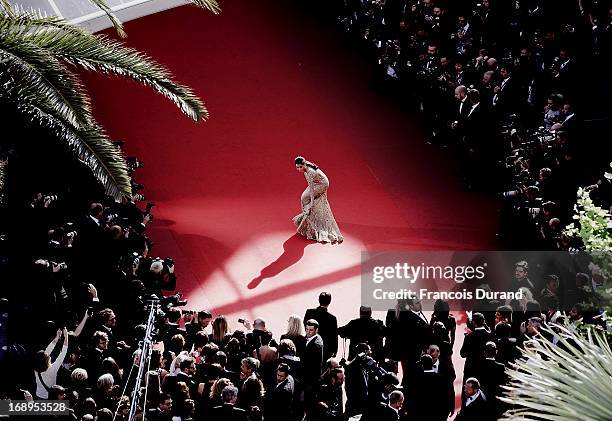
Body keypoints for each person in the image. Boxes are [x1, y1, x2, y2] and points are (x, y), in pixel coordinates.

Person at [293, 156, 343, 243]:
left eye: (300, 167)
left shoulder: (310, 172)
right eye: (297, 167)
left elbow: (312, 190)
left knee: (306, 199)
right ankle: (306, 221)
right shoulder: (306, 167)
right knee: (304, 197)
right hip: (317, 182)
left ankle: (311, 224)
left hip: (322, 184)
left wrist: (311, 204)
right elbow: (310, 186)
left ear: (304, 164)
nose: (299, 169)